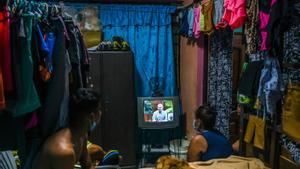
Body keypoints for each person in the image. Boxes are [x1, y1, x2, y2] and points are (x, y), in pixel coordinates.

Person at [33, 88, 102, 169]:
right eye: (99, 110)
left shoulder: (81, 136)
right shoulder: (65, 151)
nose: (101, 113)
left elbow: (88, 166)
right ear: (92, 116)